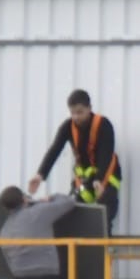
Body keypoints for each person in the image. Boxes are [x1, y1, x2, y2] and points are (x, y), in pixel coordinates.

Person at [32, 88, 123, 229]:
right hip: (84, 178)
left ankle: (105, 246)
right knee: (72, 209)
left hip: (107, 175)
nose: (76, 117)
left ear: (89, 108)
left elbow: (106, 154)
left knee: (105, 213)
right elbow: (55, 150)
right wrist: (40, 175)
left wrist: (99, 180)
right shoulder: (67, 127)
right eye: (73, 113)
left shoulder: (104, 125)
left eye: (80, 112)